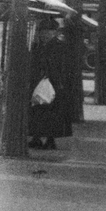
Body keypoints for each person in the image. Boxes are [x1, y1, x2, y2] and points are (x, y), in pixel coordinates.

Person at [28, 16, 71, 151]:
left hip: (52, 84)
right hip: (40, 83)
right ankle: (37, 137)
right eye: (42, 32)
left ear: (54, 32)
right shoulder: (38, 46)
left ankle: (50, 139)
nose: (44, 35)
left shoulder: (58, 47)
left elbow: (62, 66)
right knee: (38, 111)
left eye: (48, 32)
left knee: (50, 113)